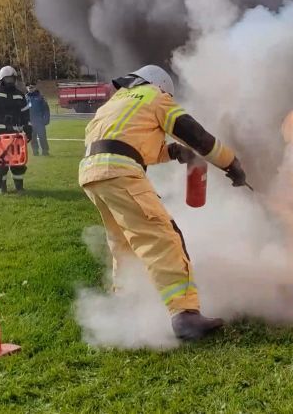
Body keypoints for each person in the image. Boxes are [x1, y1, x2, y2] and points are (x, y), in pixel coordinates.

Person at [79, 64, 248, 341]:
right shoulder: (156, 97)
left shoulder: (115, 103)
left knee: (124, 242)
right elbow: (198, 136)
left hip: (91, 174)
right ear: (160, 86)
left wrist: (172, 151)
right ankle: (185, 315)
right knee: (163, 237)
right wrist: (231, 164)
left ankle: (124, 304)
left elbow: (125, 142)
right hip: (120, 171)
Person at [0, 65, 32, 193]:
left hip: (16, 134)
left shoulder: (20, 95)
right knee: (1, 162)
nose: (11, 81)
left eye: (12, 78)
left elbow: (26, 114)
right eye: (8, 78)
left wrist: (28, 129)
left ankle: (19, 187)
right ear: (2, 78)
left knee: (19, 162)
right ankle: (1, 187)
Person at [26, 82, 51, 156]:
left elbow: (46, 109)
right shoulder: (25, 98)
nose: (30, 89)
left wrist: (46, 119)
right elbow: (23, 111)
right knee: (32, 138)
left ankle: (45, 151)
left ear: (35, 88)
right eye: (29, 88)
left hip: (40, 121)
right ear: (26, 88)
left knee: (42, 137)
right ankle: (35, 151)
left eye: (32, 87)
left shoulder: (41, 97)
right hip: (30, 122)